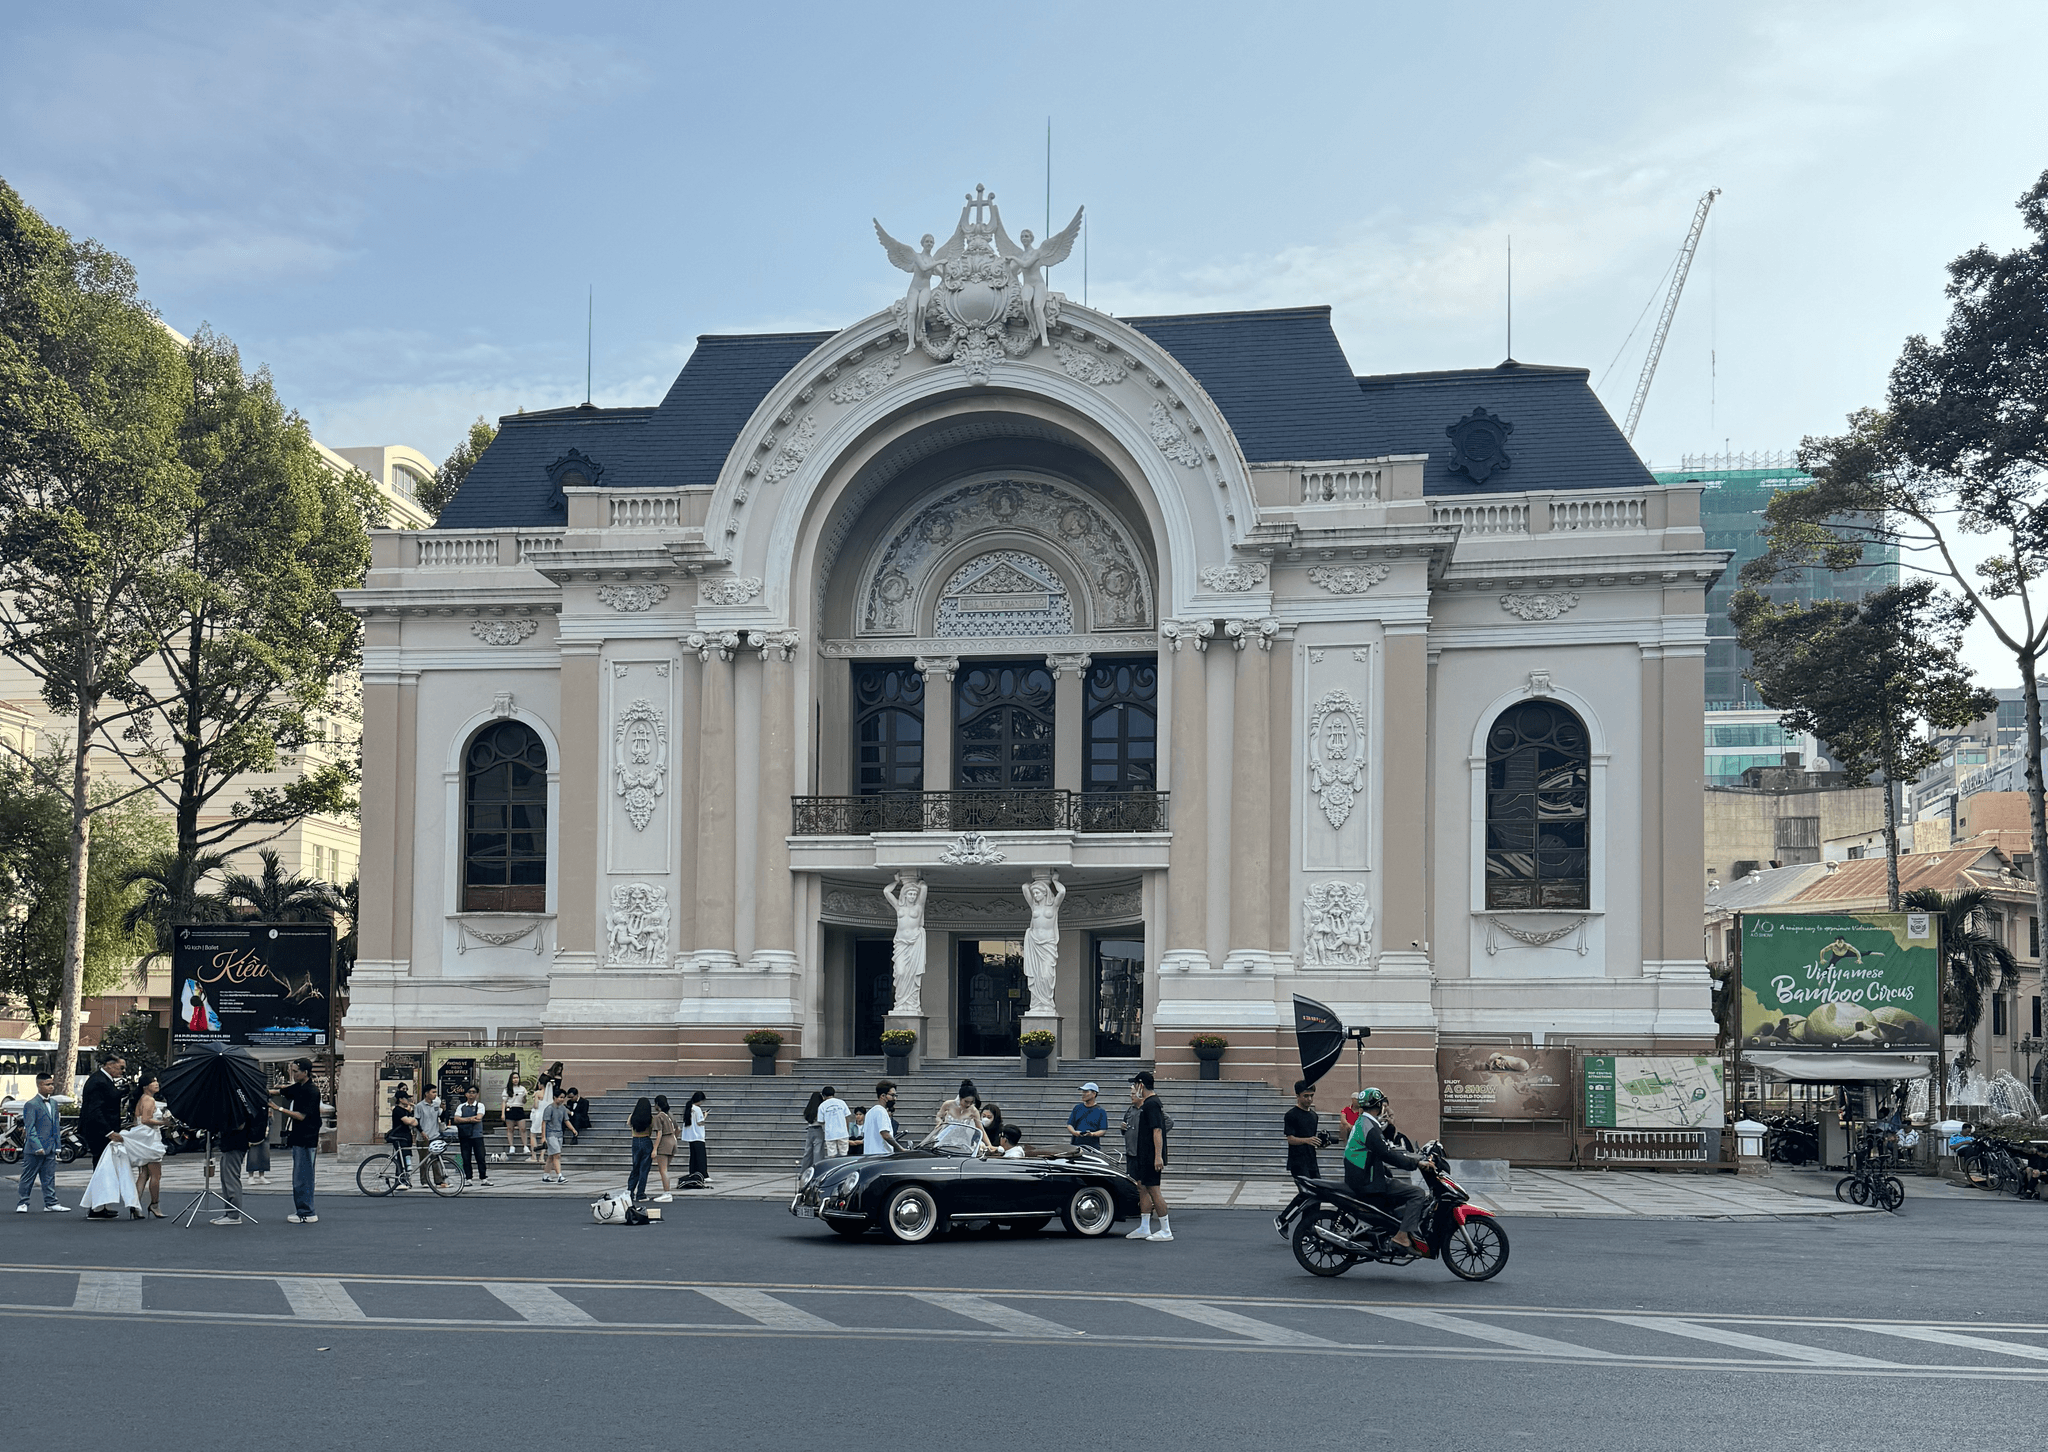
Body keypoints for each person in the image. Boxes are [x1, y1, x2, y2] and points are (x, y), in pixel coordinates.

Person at [1342, 1087, 1430, 1251]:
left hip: (1362, 1176)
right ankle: (1401, 1236)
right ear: (1379, 1105)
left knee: (1395, 1184)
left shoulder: (1363, 1123)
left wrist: (1410, 1158)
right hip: (1367, 1181)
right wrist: (1415, 1164)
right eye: (1383, 1104)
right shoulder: (1370, 1127)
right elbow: (1386, 1154)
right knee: (1417, 1193)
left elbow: (1383, 1150)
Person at [271, 1057, 325, 1223]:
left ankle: (307, 1212)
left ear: (305, 1072)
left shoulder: (312, 1091)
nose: (293, 1074)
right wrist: (263, 1091)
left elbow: (301, 1115)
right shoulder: (299, 1087)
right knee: (299, 1176)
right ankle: (303, 1210)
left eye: (295, 1071)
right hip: (299, 1138)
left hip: (307, 1139)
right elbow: (282, 1091)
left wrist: (278, 1108)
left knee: (303, 1177)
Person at [1124, 1072, 1172, 1242]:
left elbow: (1157, 1130)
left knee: (1154, 1190)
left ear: (1141, 1085)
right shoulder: (1147, 1104)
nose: (1134, 1088)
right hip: (1143, 1155)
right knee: (1142, 1188)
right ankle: (1144, 1227)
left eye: (1135, 1084)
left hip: (1151, 1156)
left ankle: (1166, 1230)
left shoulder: (1152, 1104)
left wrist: (1158, 1156)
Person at [14, 1071, 66, 1213]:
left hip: (50, 1147)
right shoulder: (31, 1104)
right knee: (28, 1177)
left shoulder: (54, 1103)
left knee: (49, 1177)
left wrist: (58, 1145)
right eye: (47, 1084)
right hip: (34, 1149)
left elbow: (56, 1126)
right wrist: (37, 1146)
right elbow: (30, 1128)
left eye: (52, 1084)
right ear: (39, 1085)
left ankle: (51, 1203)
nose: (51, 1087)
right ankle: (23, 1202)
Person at [125, 1071, 169, 1218]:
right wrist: (164, 1122)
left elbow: (138, 1121)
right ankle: (154, 1204)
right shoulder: (149, 1100)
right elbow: (146, 1120)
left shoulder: (141, 1099)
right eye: (153, 1081)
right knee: (156, 1174)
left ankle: (135, 1204)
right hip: (150, 1139)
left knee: (144, 1174)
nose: (156, 1084)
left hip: (142, 1138)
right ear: (145, 1086)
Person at [77, 1052, 126, 1180]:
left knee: (107, 1166)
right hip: (99, 1132)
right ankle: (99, 1190)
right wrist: (109, 1132)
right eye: (121, 1067)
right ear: (109, 1065)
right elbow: (94, 1110)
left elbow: (110, 1099)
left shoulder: (105, 1080)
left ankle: (104, 1190)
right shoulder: (98, 1081)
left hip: (104, 1130)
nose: (123, 1071)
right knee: (101, 1165)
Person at [214, 1093, 257, 1226]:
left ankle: (233, 1214)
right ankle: (229, 1212)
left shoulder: (238, 1102)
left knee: (231, 1179)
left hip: (235, 1144)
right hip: (230, 1144)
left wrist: (222, 1125)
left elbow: (240, 1125)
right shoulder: (236, 1100)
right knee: (226, 1178)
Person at [452, 1083, 491, 1187]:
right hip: (464, 1135)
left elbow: (478, 1118)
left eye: (474, 1092)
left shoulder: (480, 1105)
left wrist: (463, 1120)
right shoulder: (461, 1106)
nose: (471, 1094)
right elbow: (456, 1119)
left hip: (477, 1135)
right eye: (469, 1092)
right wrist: (470, 1119)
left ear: (477, 1094)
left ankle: (483, 1178)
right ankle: (468, 1178)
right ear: (466, 1094)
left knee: (480, 1157)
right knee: (466, 1157)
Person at [934, 1078, 986, 1153]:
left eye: (971, 1102)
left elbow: (980, 1129)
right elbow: (939, 1116)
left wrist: (989, 1145)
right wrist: (939, 1122)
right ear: (961, 1098)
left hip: (963, 1144)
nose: (968, 1104)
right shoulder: (948, 1104)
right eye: (966, 1102)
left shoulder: (974, 1111)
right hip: (945, 1140)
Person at [414, 1085, 447, 1190]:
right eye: (433, 1092)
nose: (435, 1094)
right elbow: (416, 1121)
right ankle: (424, 1180)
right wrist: (421, 1132)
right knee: (424, 1160)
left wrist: (444, 1109)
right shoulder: (419, 1106)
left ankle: (439, 1180)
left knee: (436, 1159)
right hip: (423, 1136)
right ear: (426, 1093)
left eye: (435, 1092)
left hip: (435, 1135)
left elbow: (441, 1117)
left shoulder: (436, 1105)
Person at [385, 1089, 419, 1190]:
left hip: (406, 1137)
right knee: (401, 1159)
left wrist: (411, 1115)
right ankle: (399, 1181)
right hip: (399, 1137)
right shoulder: (397, 1110)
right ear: (400, 1099)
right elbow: (408, 1121)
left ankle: (405, 1180)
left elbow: (415, 1122)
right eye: (406, 1098)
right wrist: (411, 1119)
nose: (408, 1100)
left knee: (406, 1159)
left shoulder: (405, 1111)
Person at [538, 1086, 572, 1183]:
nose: (562, 1099)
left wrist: (573, 1129)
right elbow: (544, 1122)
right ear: (555, 1097)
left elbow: (566, 1120)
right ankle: (559, 1176)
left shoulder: (563, 1108)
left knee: (551, 1156)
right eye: (560, 1097)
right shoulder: (549, 1108)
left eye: (563, 1097)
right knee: (557, 1155)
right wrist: (543, 1137)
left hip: (559, 1134)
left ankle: (546, 1175)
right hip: (551, 1134)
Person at [678, 1090, 709, 1187]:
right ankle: (703, 1174)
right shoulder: (697, 1109)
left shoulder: (689, 1107)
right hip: (698, 1136)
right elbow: (700, 1122)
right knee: (701, 1157)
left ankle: (693, 1173)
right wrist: (705, 1116)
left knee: (693, 1157)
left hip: (690, 1136)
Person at [627, 1097, 655, 1201]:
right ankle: (640, 1193)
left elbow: (629, 1124)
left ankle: (629, 1191)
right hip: (646, 1140)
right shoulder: (650, 1118)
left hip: (635, 1141)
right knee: (644, 1169)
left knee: (635, 1168)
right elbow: (653, 1127)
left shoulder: (633, 1116)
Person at [651, 1094, 678, 1200]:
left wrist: (654, 1149)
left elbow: (659, 1133)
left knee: (663, 1170)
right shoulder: (670, 1115)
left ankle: (667, 1192)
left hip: (664, 1142)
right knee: (666, 1169)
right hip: (673, 1140)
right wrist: (675, 1138)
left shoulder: (658, 1117)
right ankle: (667, 1191)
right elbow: (678, 1128)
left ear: (657, 1104)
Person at [243, 1092, 273, 1186]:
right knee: (253, 1154)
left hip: (264, 1130)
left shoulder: (267, 1105)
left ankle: (262, 1175)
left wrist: (270, 1116)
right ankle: (251, 1176)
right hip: (254, 1130)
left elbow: (271, 1121)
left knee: (264, 1153)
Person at [863, 1081, 901, 1156]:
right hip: (881, 1156)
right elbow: (885, 1135)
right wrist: (901, 1149)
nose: (895, 1098)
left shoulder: (870, 1112)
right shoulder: (881, 1111)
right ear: (883, 1096)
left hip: (869, 1156)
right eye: (892, 1095)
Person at [1067, 1082, 1108, 1151]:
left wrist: (1092, 1134)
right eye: (1083, 1092)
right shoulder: (1077, 1108)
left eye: (1086, 1092)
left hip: (1092, 1148)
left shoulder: (1101, 1111)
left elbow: (1103, 1130)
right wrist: (1075, 1132)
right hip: (1076, 1147)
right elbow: (1069, 1124)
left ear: (1094, 1094)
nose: (1083, 1094)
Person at [798, 1088, 826, 1181]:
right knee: (818, 1152)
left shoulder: (809, 1109)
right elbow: (822, 1121)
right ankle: (817, 1173)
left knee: (808, 1152)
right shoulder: (820, 1108)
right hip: (818, 1130)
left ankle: (803, 1172)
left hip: (810, 1130)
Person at [816, 1086, 851, 1159]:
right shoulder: (841, 1102)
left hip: (830, 1134)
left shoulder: (822, 1106)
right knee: (844, 1154)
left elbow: (821, 1121)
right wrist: (847, 1129)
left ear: (823, 1095)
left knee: (832, 1155)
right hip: (842, 1132)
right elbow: (847, 1117)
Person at [503, 1071, 531, 1160]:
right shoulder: (507, 1089)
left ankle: (525, 1146)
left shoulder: (522, 1088)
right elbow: (504, 1102)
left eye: (517, 1078)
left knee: (523, 1128)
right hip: (510, 1109)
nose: (515, 1080)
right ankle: (511, 1146)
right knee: (510, 1129)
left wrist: (524, 1097)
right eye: (514, 1078)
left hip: (519, 1109)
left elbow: (524, 1101)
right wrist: (503, 1113)